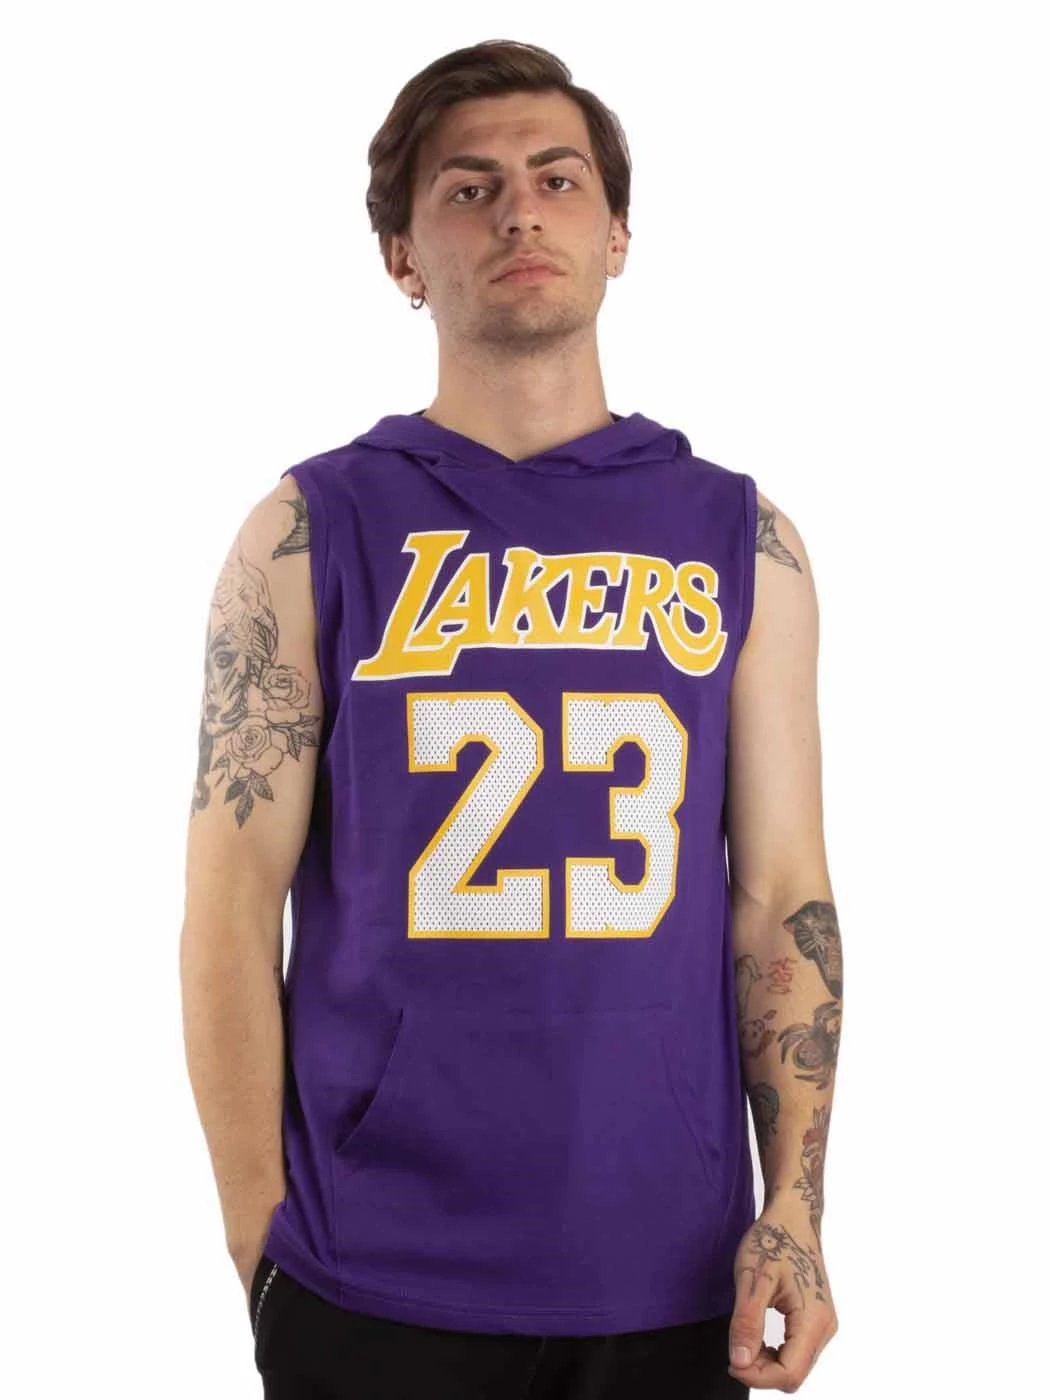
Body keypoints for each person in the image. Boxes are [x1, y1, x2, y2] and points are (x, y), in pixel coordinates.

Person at [180, 37, 841, 1399]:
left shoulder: (741, 537)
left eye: (557, 178)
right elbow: (231, 905)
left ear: (616, 236)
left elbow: (780, 895)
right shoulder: (308, 529)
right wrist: (262, 1248)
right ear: (403, 257)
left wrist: (795, 1204)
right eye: (469, 189)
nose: (521, 212)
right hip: (370, 1274)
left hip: (670, 1272)